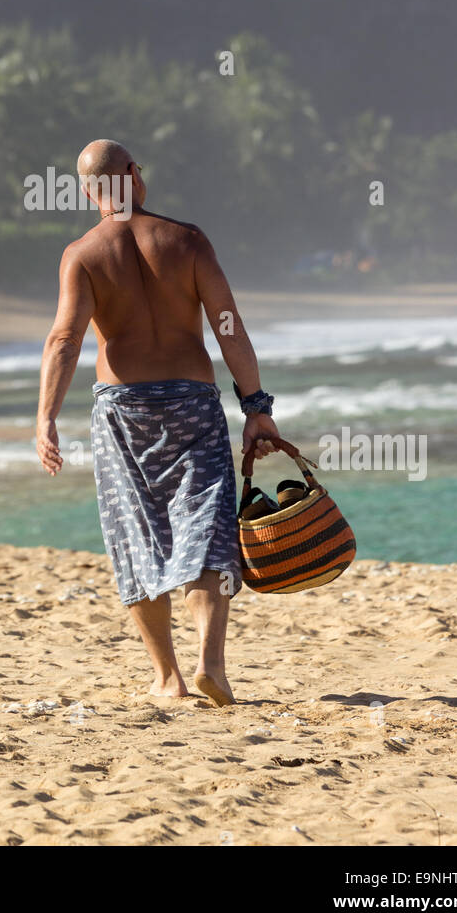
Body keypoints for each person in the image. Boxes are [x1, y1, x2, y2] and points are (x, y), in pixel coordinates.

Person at [36, 139, 279, 707]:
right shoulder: (186, 241)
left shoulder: (82, 255)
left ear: (88, 190)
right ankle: (211, 663)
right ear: (133, 176)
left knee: (136, 534)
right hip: (192, 400)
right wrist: (257, 407)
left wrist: (47, 418)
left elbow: (65, 338)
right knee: (207, 528)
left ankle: (167, 678)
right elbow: (228, 326)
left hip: (124, 410)